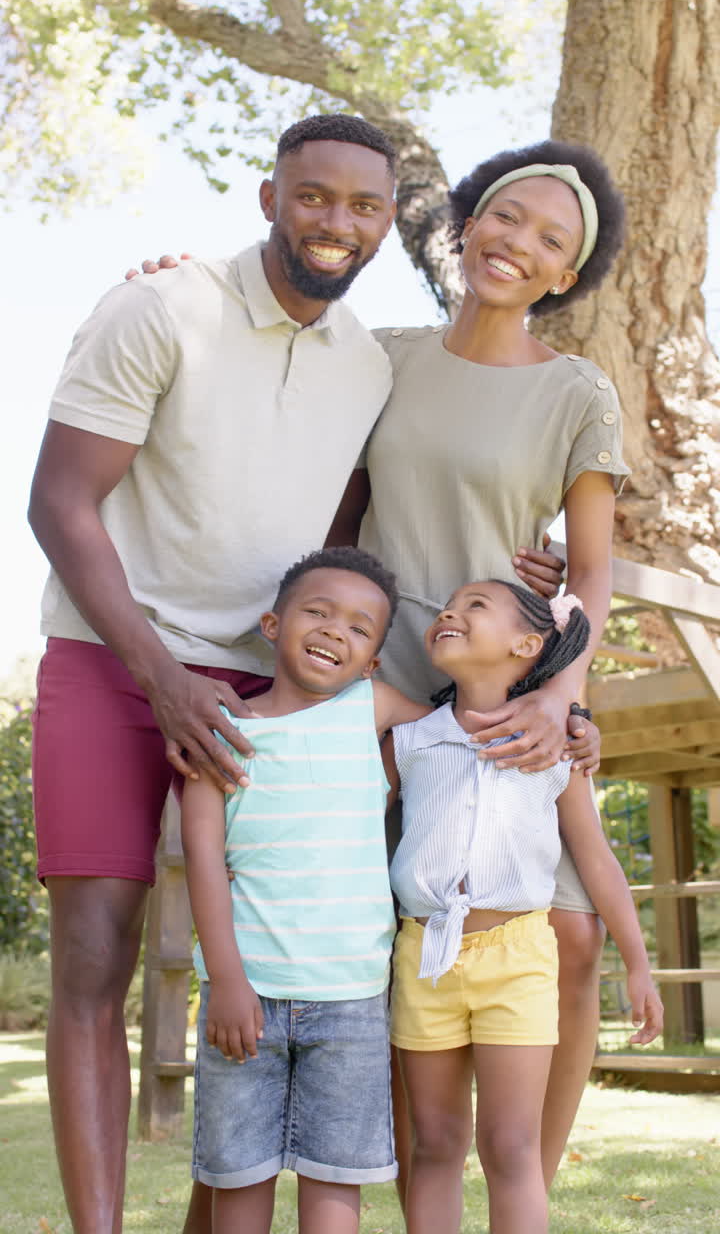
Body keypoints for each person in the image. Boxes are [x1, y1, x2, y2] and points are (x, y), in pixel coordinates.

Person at [29, 112, 571, 1234]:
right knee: (95, 950)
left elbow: (413, 491)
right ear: (269, 196)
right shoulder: (162, 306)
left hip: (265, 683)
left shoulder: (372, 364)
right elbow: (58, 502)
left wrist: (543, 614)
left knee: (275, 962)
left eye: (364, 206)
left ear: (387, 224)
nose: (337, 222)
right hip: (110, 649)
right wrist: (164, 681)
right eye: (313, 196)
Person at [325, 140, 630, 1187]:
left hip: (509, 688)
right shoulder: (384, 354)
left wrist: (560, 696)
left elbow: (588, 571)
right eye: (506, 216)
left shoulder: (579, 392)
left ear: (566, 275)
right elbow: (333, 508)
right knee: (394, 948)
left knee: (570, 935)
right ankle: (417, 1184)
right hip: (382, 687)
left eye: (552, 238)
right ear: (466, 222)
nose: (518, 243)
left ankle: (525, 1187)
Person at [385, 579, 663, 1234]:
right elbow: (350, 826)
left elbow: (596, 860)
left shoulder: (557, 746)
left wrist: (638, 963)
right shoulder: (407, 740)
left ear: (527, 644)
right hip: (423, 959)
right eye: (449, 606)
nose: (452, 611)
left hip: (519, 960)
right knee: (435, 1145)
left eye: (475, 605)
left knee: (510, 1147)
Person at [181, 546, 428, 1234]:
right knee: (239, 1178)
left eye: (358, 627)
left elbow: (444, 733)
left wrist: (571, 718)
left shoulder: (370, 708)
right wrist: (227, 979)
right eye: (317, 613)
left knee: (334, 1183)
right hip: (245, 996)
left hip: (350, 998)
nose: (333, 631)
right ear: (272, 623)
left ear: (374, 658)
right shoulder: (221, 737)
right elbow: (202, 860)